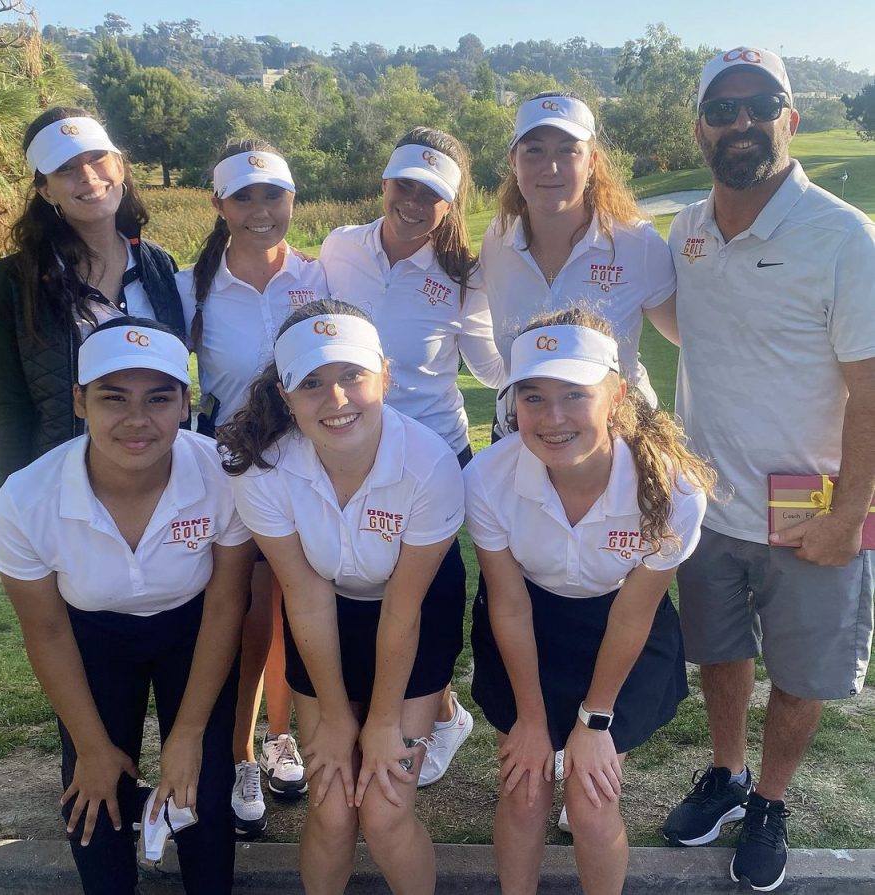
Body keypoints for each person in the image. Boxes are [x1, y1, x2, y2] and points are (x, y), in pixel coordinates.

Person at [662, 47, 875, 892]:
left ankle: (772, 800)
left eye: (762, 104)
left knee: (798, 671)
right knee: (719, 652)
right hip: (710, 502)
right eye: (724, 107)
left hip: (811, 507)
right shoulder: (687, 232)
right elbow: (696, 333)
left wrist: (847, 514)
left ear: (791, 118)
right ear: (702, 127)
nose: (742, 120)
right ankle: (726, 773)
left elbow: (871, 392)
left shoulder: (842, 236)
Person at [0, 317, 257, 895]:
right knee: (93, 790)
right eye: (114, 398)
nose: (138, 420)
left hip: (194, 629)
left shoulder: (223, 472)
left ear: (186, 403)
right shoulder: (25, 500)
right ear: (79, 401)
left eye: (159, 398)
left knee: (204, 789)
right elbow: (48, 632)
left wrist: (186, 736)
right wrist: (89, 746)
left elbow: (226, 603)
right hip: (91, 637)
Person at [221, 299, 467, 894]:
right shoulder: (262, 471)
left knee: (382, 811)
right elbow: (304, 599)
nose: (336, 401)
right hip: (325, 610)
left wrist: (382, 721)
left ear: (385, 373)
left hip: (414, 609)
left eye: (352, 376)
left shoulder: (429, 465)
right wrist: (334, 717)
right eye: (312, 383)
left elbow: (404, 610)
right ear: (285, 396)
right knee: (330, 810)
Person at [464, 308, 714, 895]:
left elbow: (634, 611)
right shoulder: (487, 479)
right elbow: (509, 605)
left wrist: (593, 721)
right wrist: (530, 719)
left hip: (620, 624)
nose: (553, 418)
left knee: (591, 798)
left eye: (574, 394)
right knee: (525, 790)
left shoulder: (674, 489)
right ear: (512, 404)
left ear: (616, 395)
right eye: (532, 397)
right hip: (529, 621)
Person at [319, 127, 505, 786]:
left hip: (431, 458)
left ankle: (440, 706)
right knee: (360, 584)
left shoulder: (463, 275)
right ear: (385, 183)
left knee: (422, 591)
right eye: (405, 185)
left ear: (451, 203)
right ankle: (398, 708)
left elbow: (490, 361)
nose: (414, 201)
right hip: (348, 451)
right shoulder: (340, 247)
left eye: (432, 193)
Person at [178, 140, 327, 835]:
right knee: (246, 614)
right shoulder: (192, 288)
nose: (262, 211)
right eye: (244, 197)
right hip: (227, 471)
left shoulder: (321, 274)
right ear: (219, 205)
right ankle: (241, 752)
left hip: (305, 469)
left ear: (292, 199)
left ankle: (279, 736)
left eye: (274, 196)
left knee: (297, 609)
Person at [0, 107, 185, 496]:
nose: (89, 177)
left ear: (119, 167)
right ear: (45, 189)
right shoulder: (11, 282)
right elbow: (8, 407)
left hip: (163, 485)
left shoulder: (158, 264)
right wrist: (12, 496)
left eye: (96, 159)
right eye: (67, 168)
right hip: (63, 489)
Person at [480, 92, 678, 426]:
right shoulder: (496, 240)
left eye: (568, 150)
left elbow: (693, 337)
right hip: (522, 435)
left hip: (619, 441)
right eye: (534, 150)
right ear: (513, 161)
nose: (550, 166)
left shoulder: (637, 244)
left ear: (592, 163)